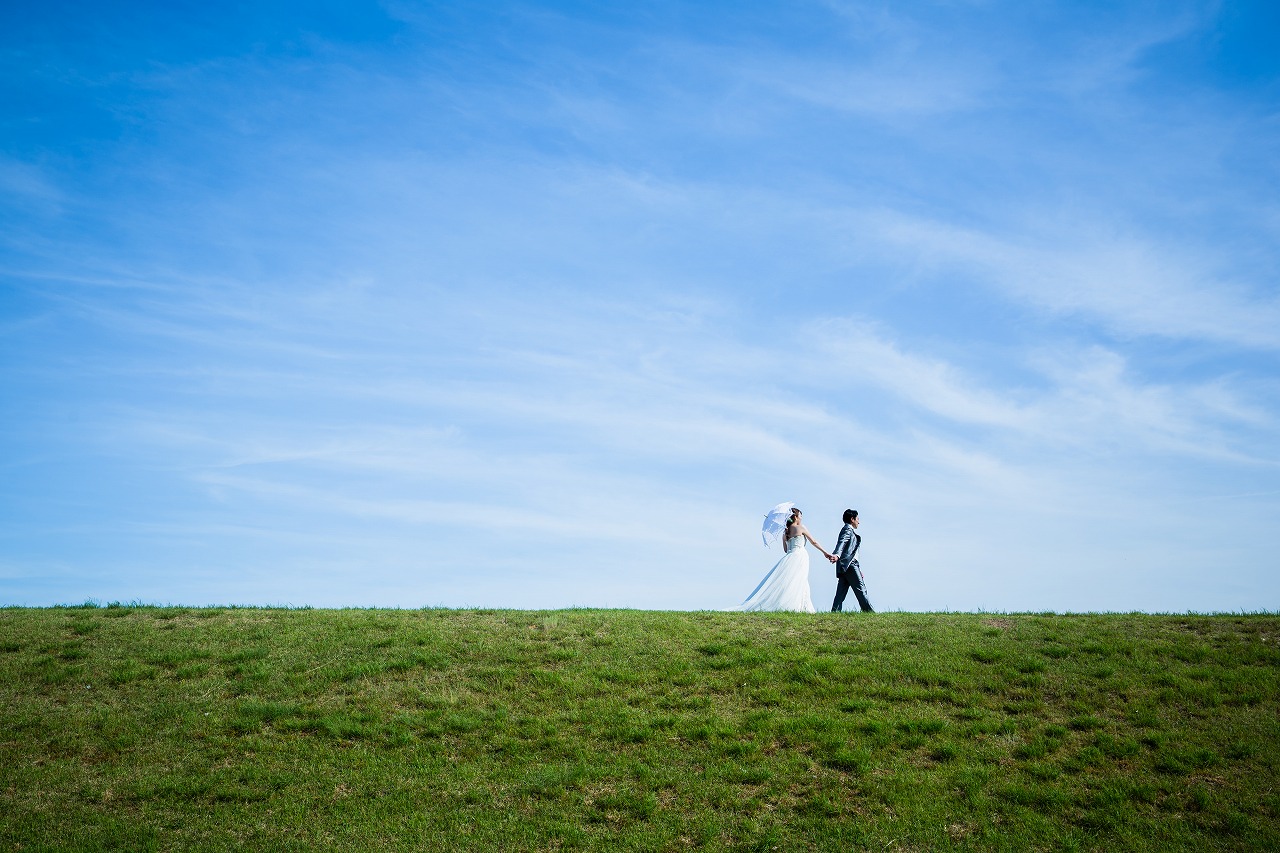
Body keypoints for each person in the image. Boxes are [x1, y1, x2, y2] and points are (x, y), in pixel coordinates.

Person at [731, 508, 835, 612]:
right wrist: (825, 552)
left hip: (790, 557)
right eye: (800, 517)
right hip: (800, 556)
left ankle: (800, 606)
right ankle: (800, 606)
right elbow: (814, 542)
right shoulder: (801, 528)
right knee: (800, 579)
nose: (801, 519)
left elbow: (786, 550)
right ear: (795, 517)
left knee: (791, 581)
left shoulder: (785, 533)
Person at [831, 508, 873, 612]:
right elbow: (842, 543)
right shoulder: (847, 529)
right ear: (852, 519)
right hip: (849, 565)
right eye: (857, 518)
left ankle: (835, 612)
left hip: (846, 565)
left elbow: (851, 552)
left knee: (841, 592)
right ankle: (868, 612)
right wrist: (836, 554)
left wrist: (859, 569)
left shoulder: (849, 530)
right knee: (861, 588)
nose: (859, 521)